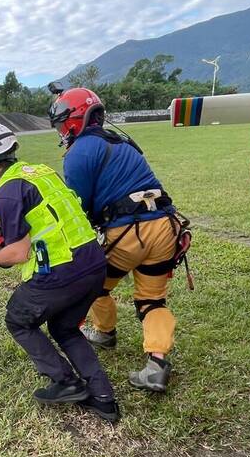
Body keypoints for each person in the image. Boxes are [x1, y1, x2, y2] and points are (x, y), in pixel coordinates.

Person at [0, 123, 119, 423]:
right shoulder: (41, 172)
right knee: (65, 327)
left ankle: (65, 382)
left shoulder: (7, 193)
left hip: (63, 271)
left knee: (18, 319)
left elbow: (18, 253)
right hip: (93, 263)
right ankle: (104, 400)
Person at [51, 87, 181, 393]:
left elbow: (79, 208)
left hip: (128, 231)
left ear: (71, 121)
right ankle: (157, 364)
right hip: (165, 226)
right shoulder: (122, 142)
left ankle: (105, 332)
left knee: (94, 286)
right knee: (152, 300)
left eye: (60, 124)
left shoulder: (78, 153)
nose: (60, 131)